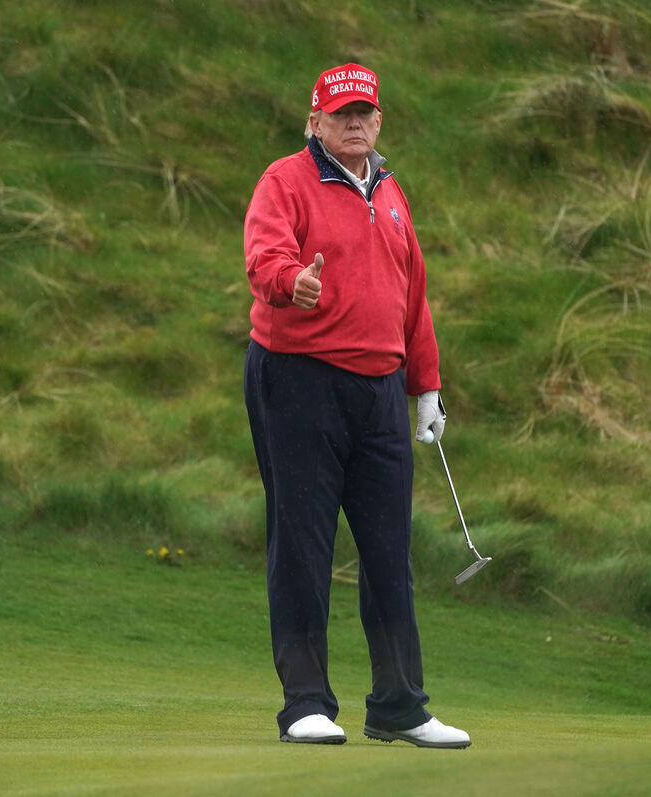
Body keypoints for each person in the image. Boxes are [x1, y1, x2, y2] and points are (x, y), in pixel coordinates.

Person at [242, 62, 471, 749]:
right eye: (341, 113)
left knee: (387, 548)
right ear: (314, 120)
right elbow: (264, 259)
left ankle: (399, 704)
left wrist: (424, 385)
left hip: (378, 390)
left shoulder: (392, 192)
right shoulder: (285, 180)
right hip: (298, 378)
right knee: (304, 540)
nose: (354, 123)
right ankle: (306, 701)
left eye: (365, 113)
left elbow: (412, 294)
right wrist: (293, 284)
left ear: (379, 120)